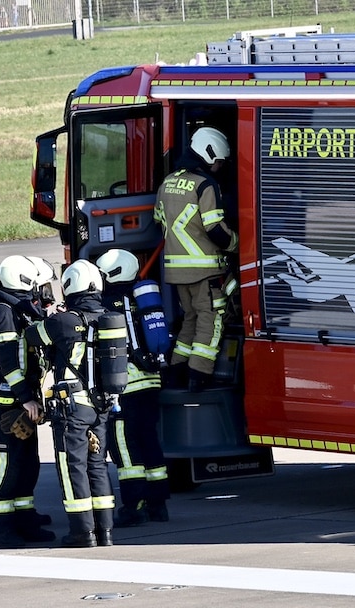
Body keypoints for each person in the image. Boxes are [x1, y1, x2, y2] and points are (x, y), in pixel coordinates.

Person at [25, 260, 116, 548]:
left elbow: (31, 335)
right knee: (98, 465)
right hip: (101, 405)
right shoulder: (109, 318)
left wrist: (49, 314)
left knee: (71, 466)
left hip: (73, 407)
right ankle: (105, 532)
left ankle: (82, 532)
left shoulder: (63, 321)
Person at [154, 126, 238, 391]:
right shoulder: (205, 185)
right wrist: (238, 244)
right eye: (219, 162)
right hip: (205, 272)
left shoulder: (167, 182)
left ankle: (176, 371)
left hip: (176, 273)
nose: (220, 168)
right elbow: (216, 229)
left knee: (189, 320)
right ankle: (198, 376)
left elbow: (159, 221)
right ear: (209, 153)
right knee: (210, 321)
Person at [0, 255, 56, 548]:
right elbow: (8, 360)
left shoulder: (17, 309)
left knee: (28, 461)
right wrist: (26, 398)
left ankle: (25, 516)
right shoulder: (2, 313)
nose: (41, 292)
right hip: (5, 401)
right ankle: (0, 527)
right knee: (7, 462)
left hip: (21, 399)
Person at [95, 249, 170, 526]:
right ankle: (158, 505)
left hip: (125, 388)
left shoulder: (107, 302)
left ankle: (133, 506)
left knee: (126, 447)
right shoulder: (142, 300)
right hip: (151, 381)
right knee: (150, 442)